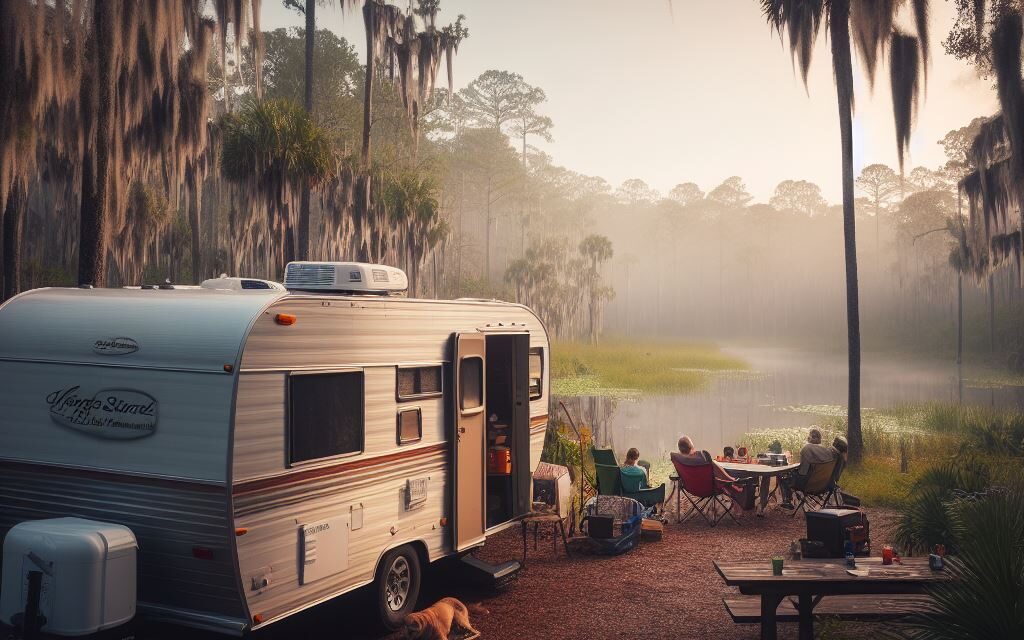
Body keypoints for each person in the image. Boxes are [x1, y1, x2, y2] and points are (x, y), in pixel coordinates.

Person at [671, 436, 749, 514]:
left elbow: (676, 476)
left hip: (691, 489)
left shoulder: (678, 460)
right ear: (692, 447)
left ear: (680, 449)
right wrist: (731, 479)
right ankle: (740, 506)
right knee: (731, 483)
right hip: (710, 489)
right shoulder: (702, 457)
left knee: (728, 482)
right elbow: (719, 472)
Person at [779, 427, 836, 509]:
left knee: (783, 475)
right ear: (820, 438)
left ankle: (787, 501)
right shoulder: (827, 451)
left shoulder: (807, 449)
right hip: (823, 485)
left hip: (808, 485)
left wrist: (793, 469)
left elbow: (802, 472)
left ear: (809, 438)